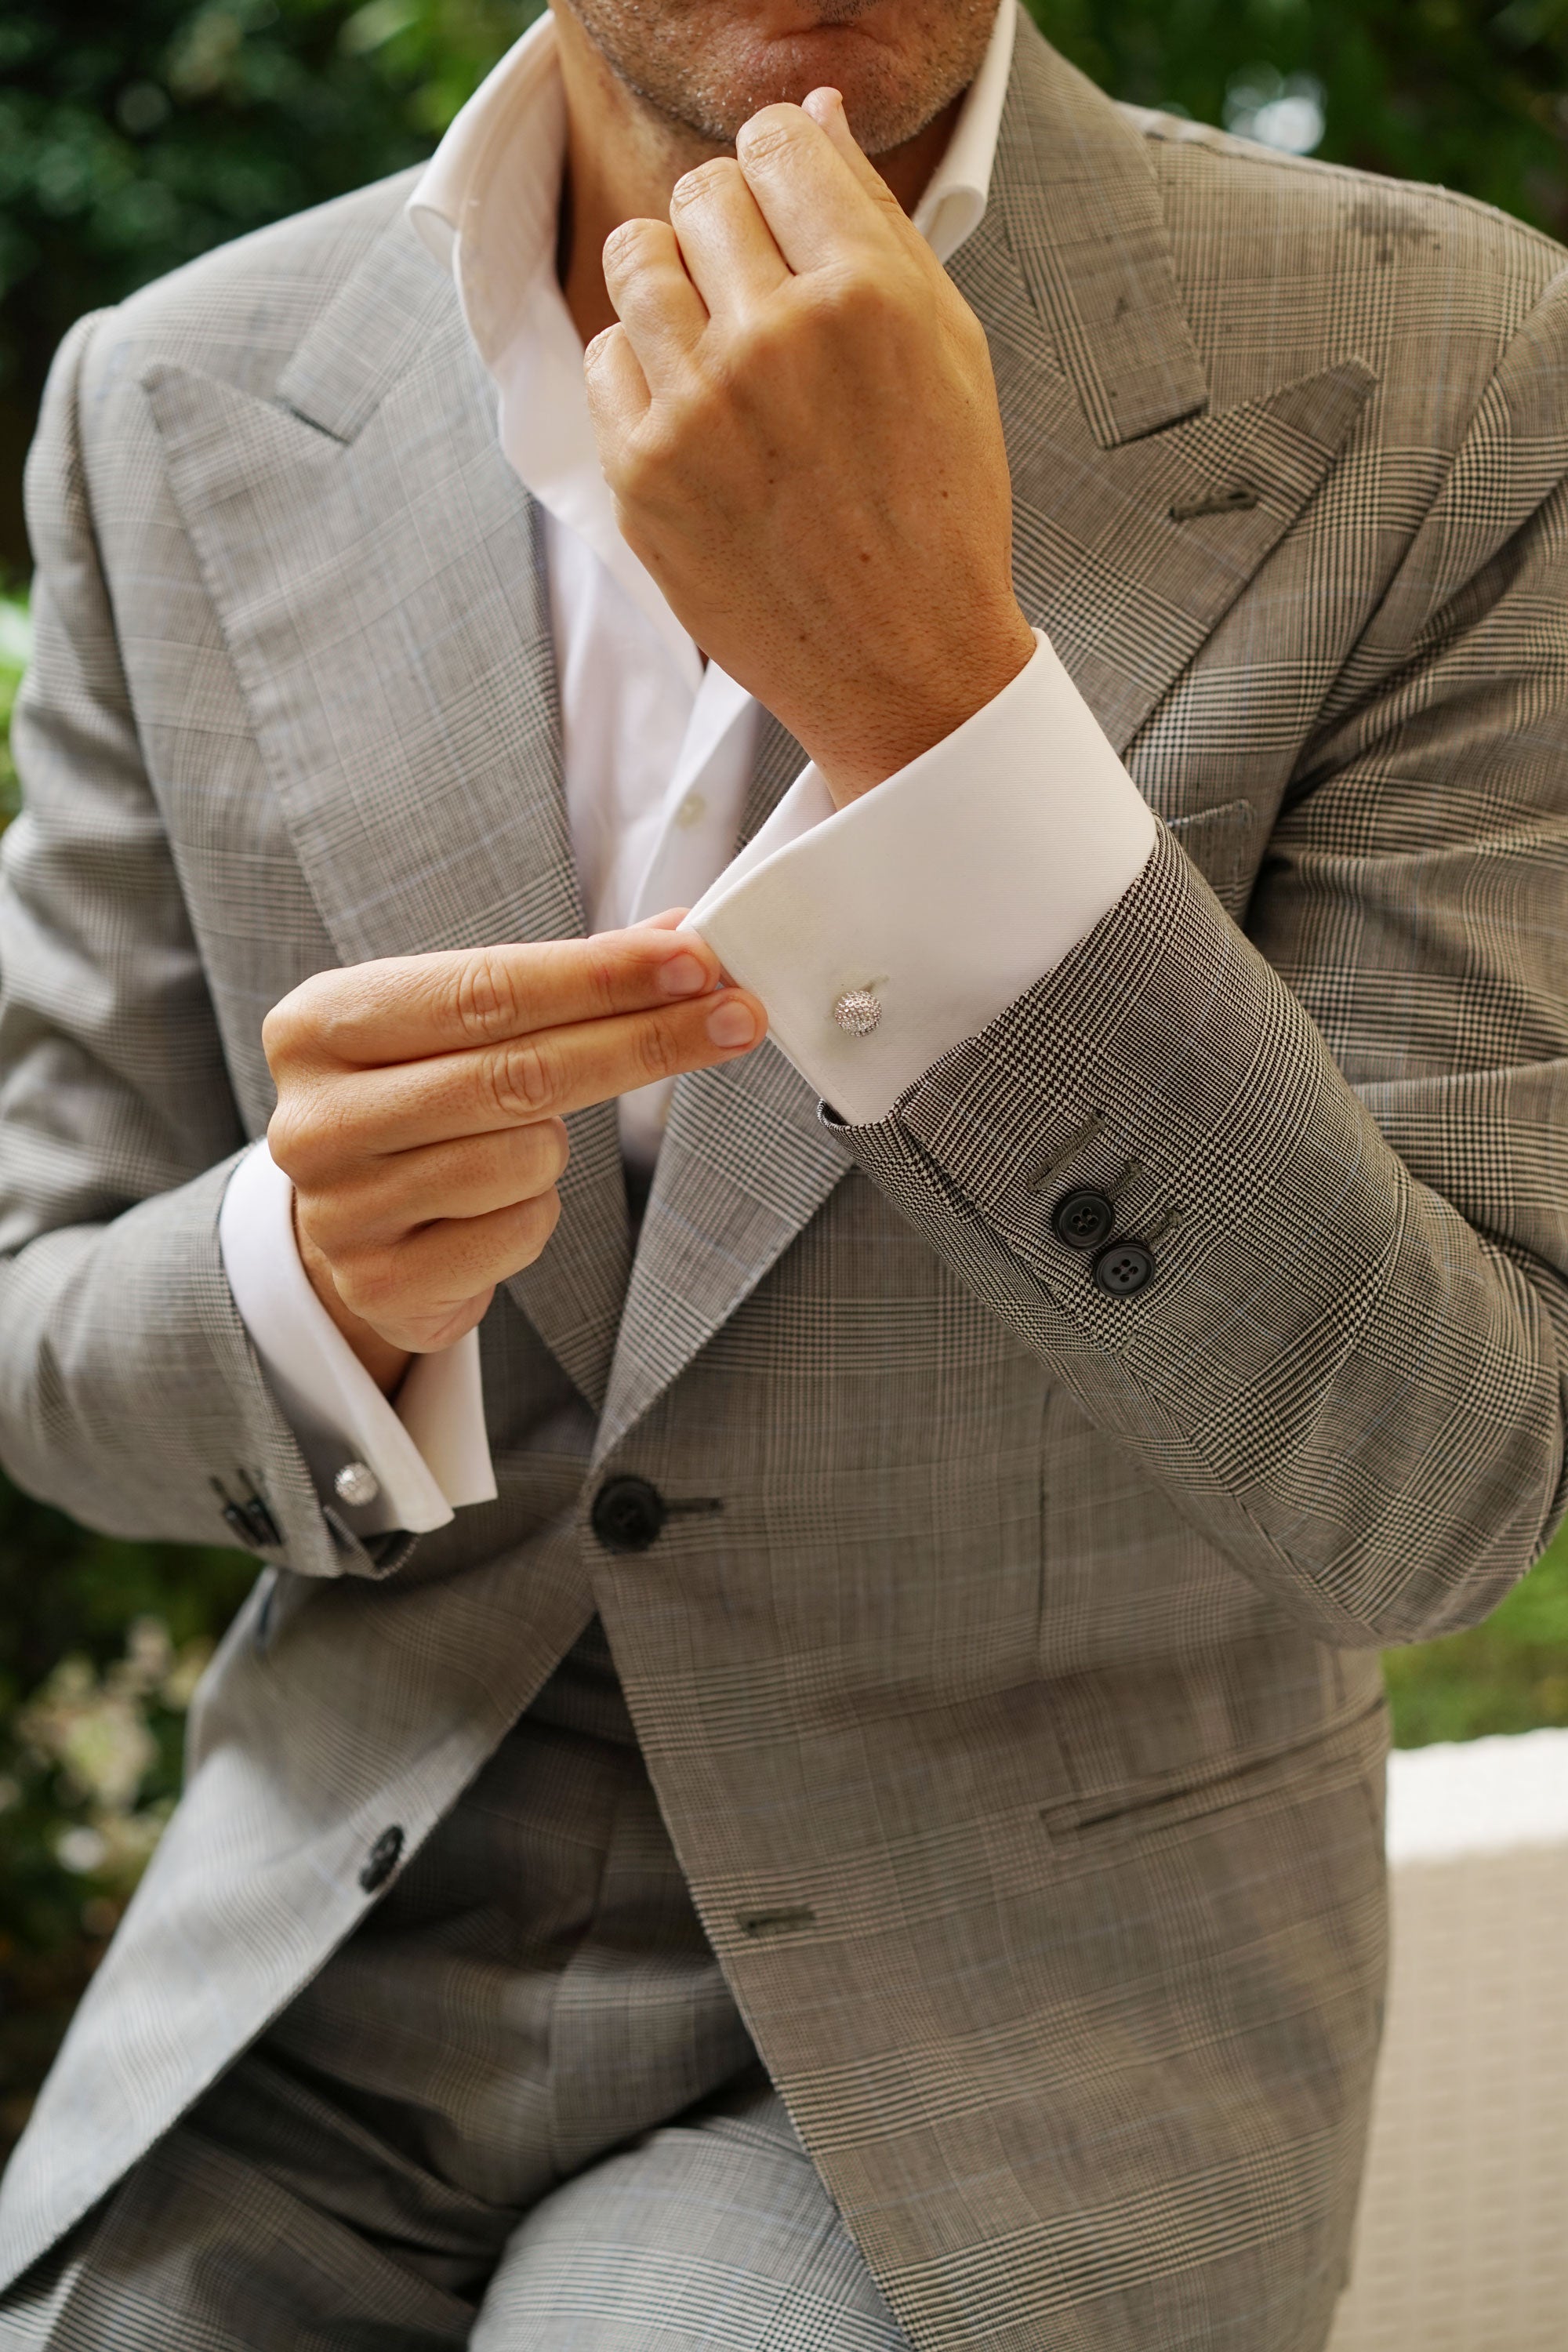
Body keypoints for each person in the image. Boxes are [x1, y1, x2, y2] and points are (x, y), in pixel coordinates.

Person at [0, 0, 1564, 2343]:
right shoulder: (168, 394)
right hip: (319, 1979)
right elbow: (42, 1314)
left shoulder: (1458, 360)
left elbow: (1447, 1486)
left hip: (993, 2025)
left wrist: (944, 713)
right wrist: (302, 1281)